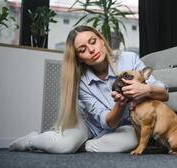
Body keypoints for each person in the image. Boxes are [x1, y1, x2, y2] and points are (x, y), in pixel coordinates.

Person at [9, 25, 168, 153]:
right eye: (82, 50)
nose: (91, 50)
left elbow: (164, 93)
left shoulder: (129, 59)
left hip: (125, 126)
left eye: (93, 41)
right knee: (64, 146)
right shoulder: (81, 81)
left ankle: (84, 145)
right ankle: (32, 140)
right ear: (79, 58)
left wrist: (146, 90)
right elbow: (108, 123)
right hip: (90, 125)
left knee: (133, 139)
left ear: (101, 40)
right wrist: (120, 105)